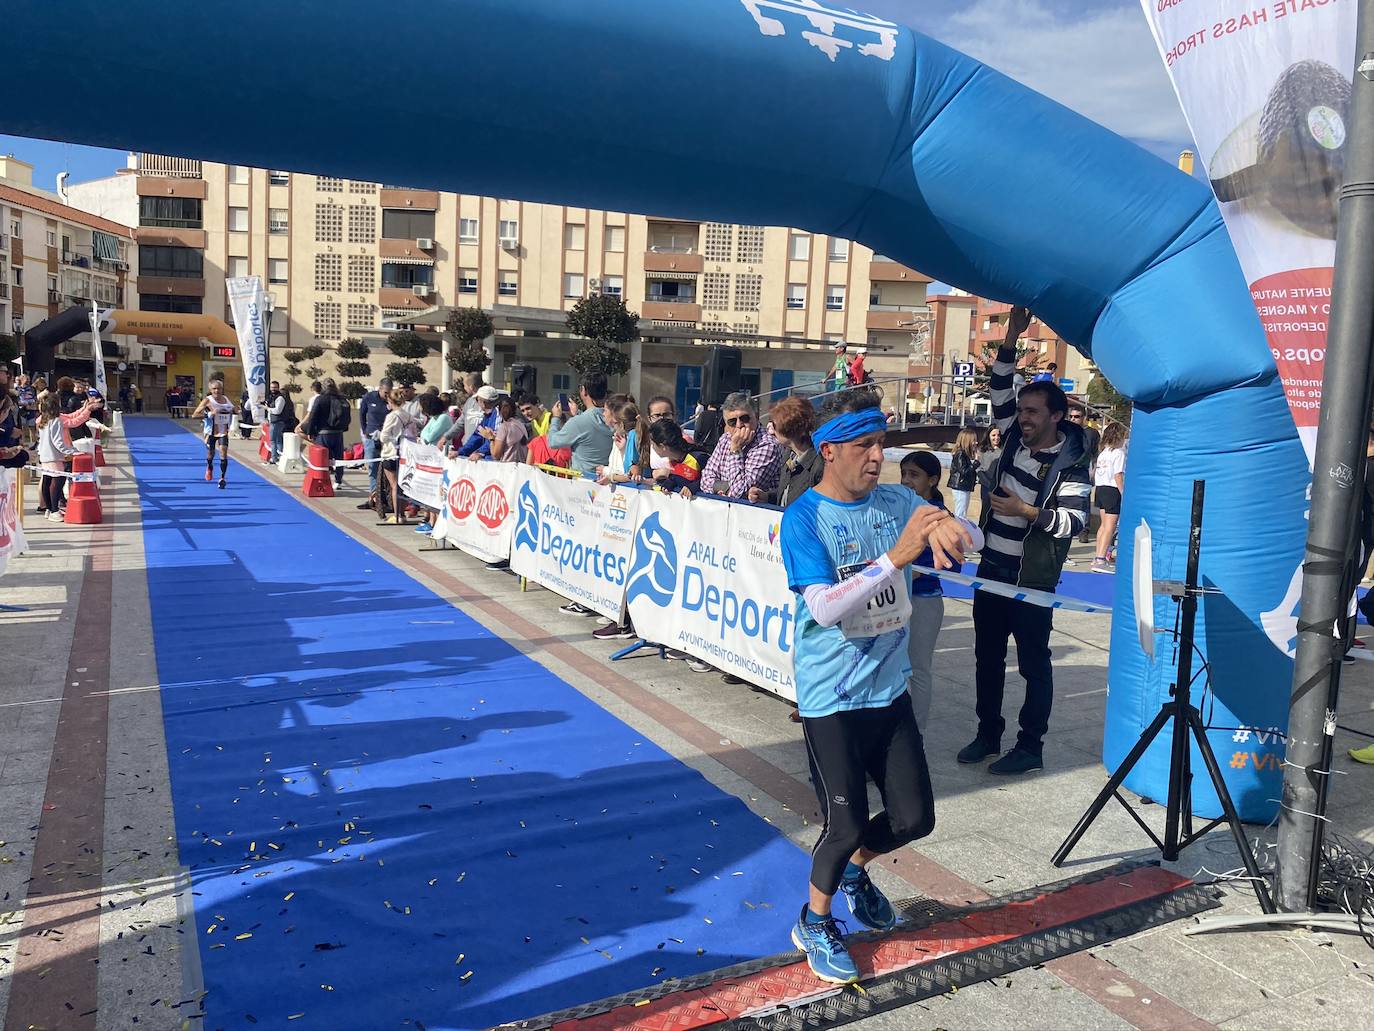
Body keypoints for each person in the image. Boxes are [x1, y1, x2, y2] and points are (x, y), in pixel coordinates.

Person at [780, 387, 973, 985]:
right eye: (864, 445)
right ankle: (815, 921)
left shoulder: (897, 500)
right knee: (845, 824)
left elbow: (965, 538)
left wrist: (956, 529)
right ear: (830, 451)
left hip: (887, 691)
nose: (876, 457)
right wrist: (893, 559)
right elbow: (826, 608)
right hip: (830, 697)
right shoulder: (803, 518)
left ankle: (859, 873)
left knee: (915, 819)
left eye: (882, 445)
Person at [963, 307, 1091, 776]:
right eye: (1021, 411)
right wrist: (1012, 337)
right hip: (991, 570)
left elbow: (1075, 523)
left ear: (1057, 415)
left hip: (1032, 579)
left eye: (1033, 412)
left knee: (1034, 665)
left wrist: (1026, 512)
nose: (1023, 418)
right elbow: (999, 385)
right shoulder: (1015, 435)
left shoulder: (1074, 463)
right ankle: (986, 733)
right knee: (986, 659)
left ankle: (1030, 746)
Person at [899, 451, 982, 732]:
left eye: (914, 475)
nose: (906, 481)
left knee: (918, 669)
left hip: (923, 601)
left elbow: (952, 566)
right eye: (904, 473)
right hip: (891, 600)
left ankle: (916, 734)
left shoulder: (943, 518)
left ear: (933, 480)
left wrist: (907, 571)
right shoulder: (898, 509)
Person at [699, 391, 784, 503]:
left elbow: (738, 494)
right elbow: (705, 480)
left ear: (757, 416)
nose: (739, 425)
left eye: (744, 418)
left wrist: (735, 450)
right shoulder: (725, 438)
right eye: (732, 422)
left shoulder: (768, 445)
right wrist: (727, 487)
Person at [35, 393, 94, 519]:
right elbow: (58, 441)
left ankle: (49, 509)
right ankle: (54, 510)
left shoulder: (42, 420)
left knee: (47, 481)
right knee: (58, 482)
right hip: (54, 456)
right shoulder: (56, 421)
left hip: (44, 455)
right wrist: (71, 451)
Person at [547, 371, 614, 477]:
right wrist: (577, 414)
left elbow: (552, 442)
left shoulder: (578, 422)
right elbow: (594, 421)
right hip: (608, 479)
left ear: (583, 390)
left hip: (583, 481)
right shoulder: (614, 419)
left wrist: (555, 418)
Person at [767, 396, 823, 508]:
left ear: (789, 430)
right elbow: (789, 493)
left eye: (774, 425)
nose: (770, 430)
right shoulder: (789, 454)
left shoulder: (818, 466)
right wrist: (767, 497)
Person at [300, 377, 351, 488]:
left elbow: (313, 416)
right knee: (338, 458)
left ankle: (323, 481)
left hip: (323, 433)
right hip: (338, 433)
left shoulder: (320, 399)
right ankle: (338, 480)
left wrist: (310, 431)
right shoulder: (342, 399)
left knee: (322, 458)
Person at [376, 391, 417, 524]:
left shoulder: (392, 416)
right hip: (406, 453)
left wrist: (386, 437)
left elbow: (384, 436)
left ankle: (397, 515)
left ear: (390, 402)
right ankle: (403, 514)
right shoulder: (409, 416)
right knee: (402, 485)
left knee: (394, 485)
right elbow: (414, 434)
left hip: (391, 453)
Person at [1092, 424, 1127, 573]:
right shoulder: (1119, 452)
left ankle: (1098, 556)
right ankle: (1100, 559)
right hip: (1112, 489)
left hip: (1101, 488)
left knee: (1103, 525)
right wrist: (1123, 492)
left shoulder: (1104, 452)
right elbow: (1118, 474)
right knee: (1110, 526)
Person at [191, 378, 238, 488]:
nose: (217, 391)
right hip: (210, 432)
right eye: (214, 389)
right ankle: (209, 466)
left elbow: (233, 409)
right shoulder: (207, 400)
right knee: (211, 453)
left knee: (223, 452)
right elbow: (194, 415)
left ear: (222, 389)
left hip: (223, 431)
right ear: (210, 390)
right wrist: (209, 414)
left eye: (219, 388)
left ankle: (222, 478)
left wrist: (235, 410)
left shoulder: (226, 399)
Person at [359, 378, 393, 507]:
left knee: (387, 468)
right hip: (371, 437)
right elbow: (362, 414)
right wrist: (365, 430)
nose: (387, 395)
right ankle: (374, 498)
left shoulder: (391, 401)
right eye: (385, 393)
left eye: (389, 392)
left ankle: (386, 498)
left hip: (387, 439)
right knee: (373, 469)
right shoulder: (369, 397)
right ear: (380, 389)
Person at [1069, 407, 1101, 543]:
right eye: (1071, 416)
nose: (1073, 419)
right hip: (1068, 470)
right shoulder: (1067, 430)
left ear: (1083, 418)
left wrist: (1094, 469)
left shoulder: (1091, 433)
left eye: (1076, 416)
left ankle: (1084, 530)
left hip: (1084, 471)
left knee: (1084, 501)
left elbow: (1095, 452)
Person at [648, 419, 700, 494]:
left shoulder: (698, 458)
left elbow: (712, 480)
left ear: (663, 447)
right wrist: (670, 481)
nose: (652, 447)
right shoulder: (673, 460)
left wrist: (693, 487)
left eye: (653, 444)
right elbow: (679, 477)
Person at [948, 428, 979, 522]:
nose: (976, 443)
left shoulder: (963, 454)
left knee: (962, 511)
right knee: (960, 513)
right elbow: (964, 471)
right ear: (967, 441)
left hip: (963, 487)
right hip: (960, 487)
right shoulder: (960, 454)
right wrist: (976, 462)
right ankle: (958, 531)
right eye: (973, 440)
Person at [488, 395, 528, 463]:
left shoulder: (504, 427)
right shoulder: (521, 425)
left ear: (499, 410)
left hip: (508, 468)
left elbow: (496, 455)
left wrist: (491, 438)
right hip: (522, 467)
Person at [264, 381, 291, 464]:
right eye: (272, 387)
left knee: (273, 440)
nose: (273, 389)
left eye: (275, 387)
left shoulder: (280, 398)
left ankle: (274, 458)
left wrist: (267, 408)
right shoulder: (272, 397)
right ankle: (279, 456)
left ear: (278, 388)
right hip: (273, 421)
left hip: (277, 422)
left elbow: (277, 411)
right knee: (278, 440)